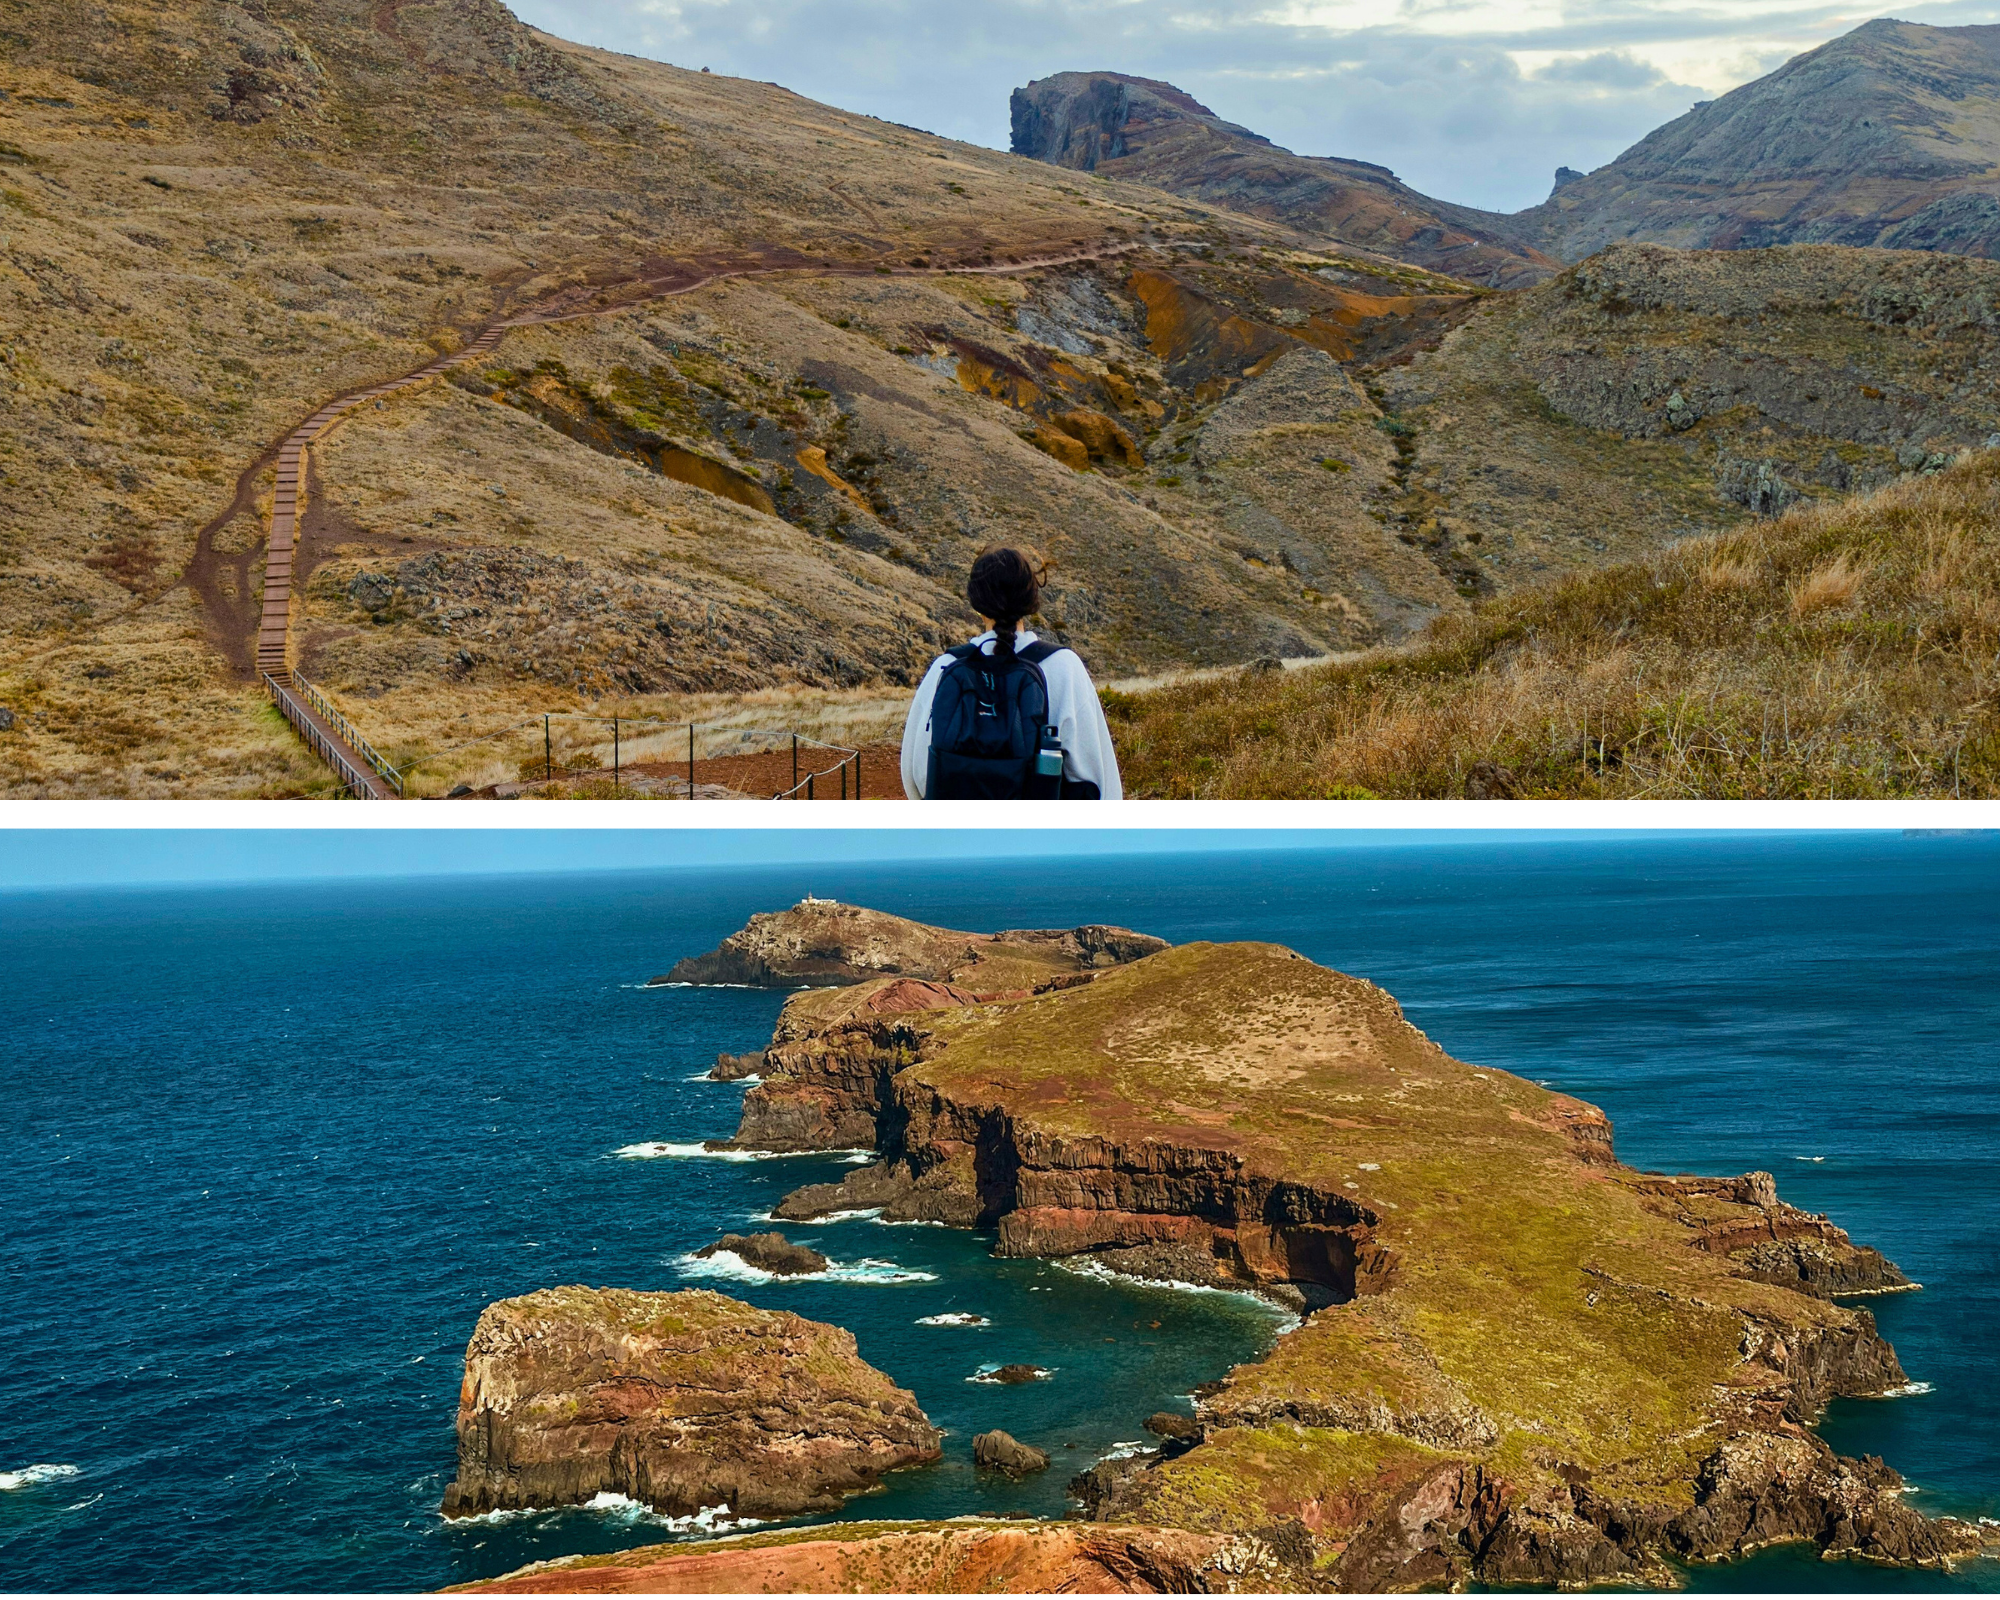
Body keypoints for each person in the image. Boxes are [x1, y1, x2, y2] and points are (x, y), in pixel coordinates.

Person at [900, 546, 1123, 800]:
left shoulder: (945, 666)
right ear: (1031, 600)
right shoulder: (1064, 667)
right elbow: (1098, 780)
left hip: (959, 837)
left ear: (977, 605)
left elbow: (916, 775)